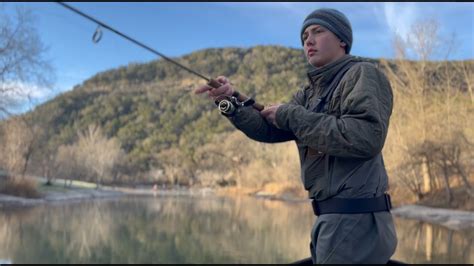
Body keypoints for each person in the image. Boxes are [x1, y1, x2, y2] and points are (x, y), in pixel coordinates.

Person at [195, 8, 397, 264]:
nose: (308, 41)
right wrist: (231, 100)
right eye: (304, 37)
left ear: (342, 39)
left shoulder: (362, 74)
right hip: (331, 222)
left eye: (318, 31)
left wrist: (291, 115)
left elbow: (366, 137)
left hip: (356, 221)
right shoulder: (308, 94)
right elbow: (270, 129)